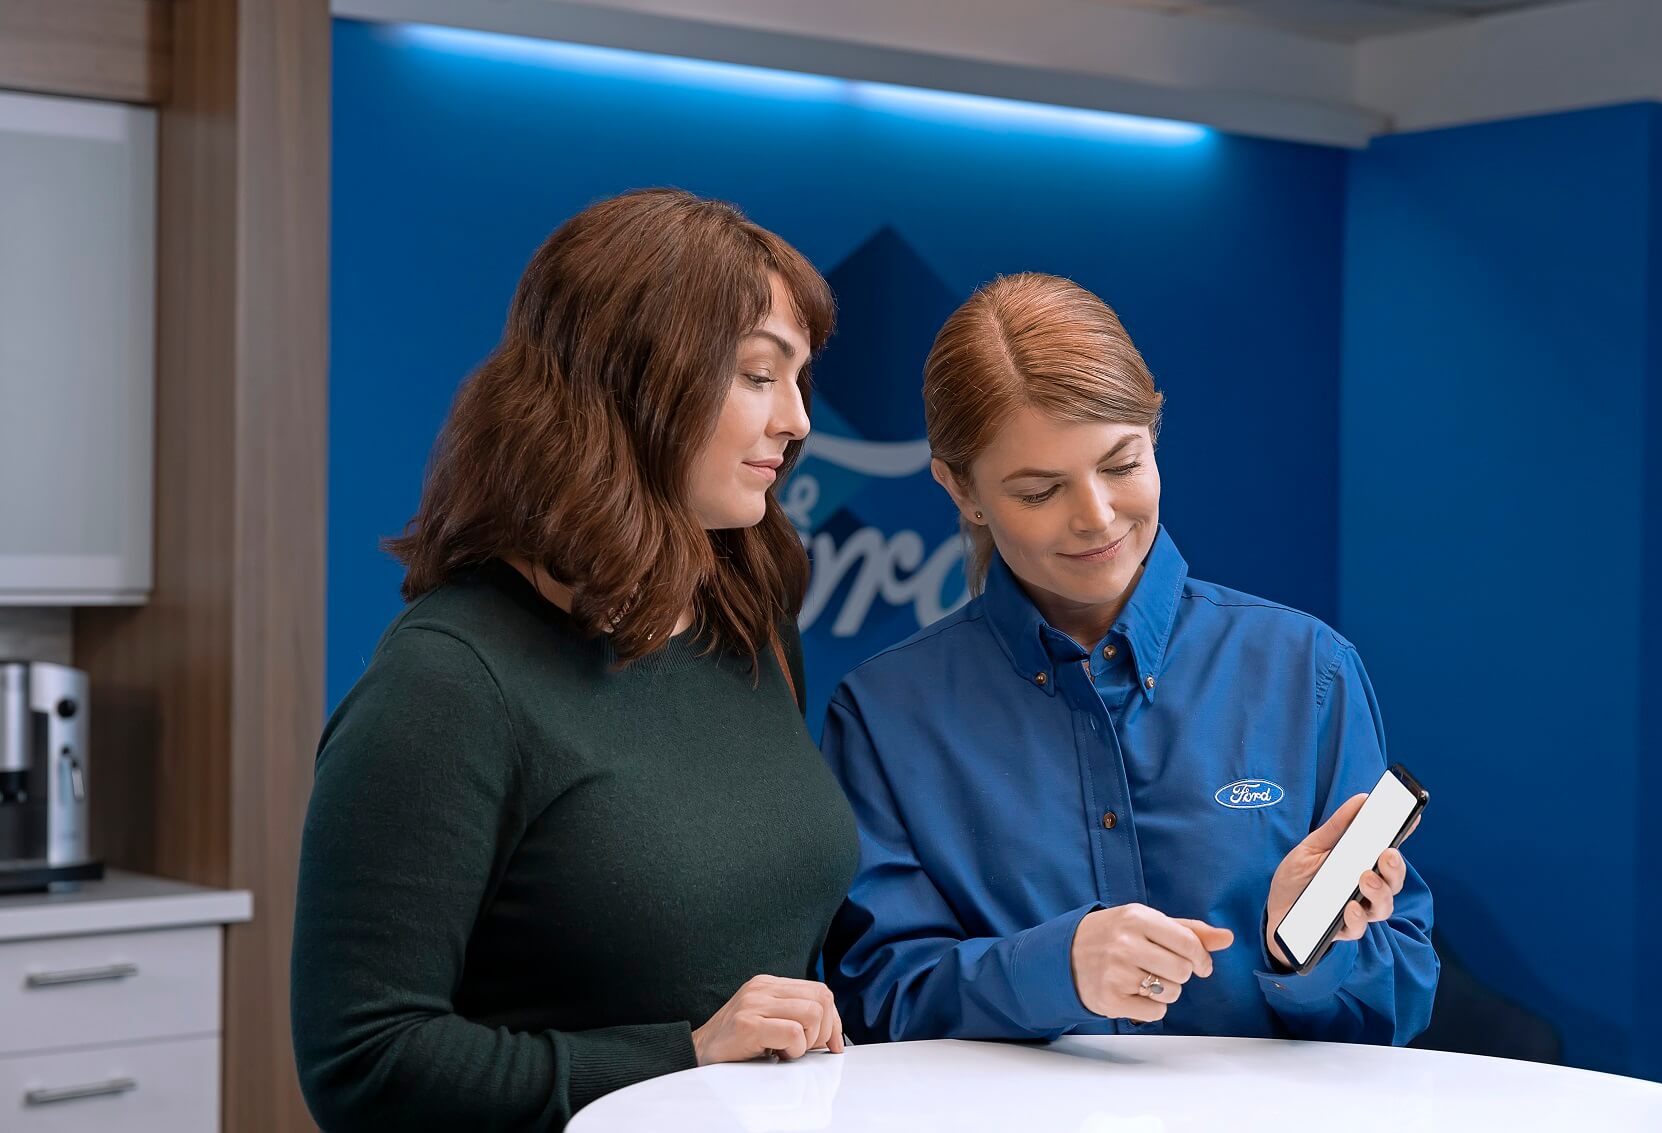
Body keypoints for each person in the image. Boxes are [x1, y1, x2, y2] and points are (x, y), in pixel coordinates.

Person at [291, 188, 860, 1132]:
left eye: (799, 380)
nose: (797, 419)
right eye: (760, 375)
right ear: (634, 382)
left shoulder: (749, 621)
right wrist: (676, 1060)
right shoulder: (449, 684)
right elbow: (363, 1062)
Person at [822, 273, 1437, 1047]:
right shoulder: (884, 714)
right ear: (960, 488)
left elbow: (1402, 994)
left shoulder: (1307, 670)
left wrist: (1302, 948)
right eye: (1040, 490)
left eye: (1121, 464)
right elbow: (873, 999)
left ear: (1154, 434)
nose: (1097, 516)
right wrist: (1055, 969)